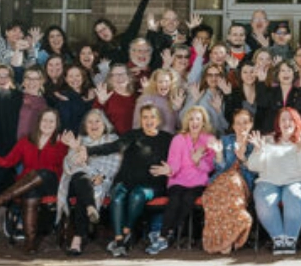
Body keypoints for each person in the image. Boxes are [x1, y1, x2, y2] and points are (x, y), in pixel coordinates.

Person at [0, 108, 67, 253]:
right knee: (31, 195)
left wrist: (67, 146)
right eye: (45, 120)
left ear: (57, 124)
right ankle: (30, 243)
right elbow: (8, 162)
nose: (48, 124)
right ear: (39, 122)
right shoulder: (26, 141)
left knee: (43, 172)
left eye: (52, 121)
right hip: (27, 185)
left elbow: (66, 166)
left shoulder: (61, 142)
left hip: (51, 184)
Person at [246, 108, 301, 255]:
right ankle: (279, 239)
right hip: (269, 181)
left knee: (292, 193)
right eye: (283, 120)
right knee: (263, 197)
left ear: (297, 122)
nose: (287, 123)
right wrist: (258, 150)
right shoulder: (267, 140)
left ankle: (290, 239)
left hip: (300, 181)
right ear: (278, 124)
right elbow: (253, 166)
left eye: (290, 119)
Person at [146, 106, 218, 255]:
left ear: (203, 122)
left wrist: (198, 161)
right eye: (191, 119)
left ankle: (167, 233)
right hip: (178, 179)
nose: (194, 122)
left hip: (198, 181)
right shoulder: (178, 139)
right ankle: (164, 237)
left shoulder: (209, 140)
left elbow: (210, 167)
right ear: (187, 121)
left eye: (198, 119)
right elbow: (174, 163)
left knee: (188, 199)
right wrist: (169, 170)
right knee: (175, 199)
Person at [102, 105, 172, 256]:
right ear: (140, 119)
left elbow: (180, 160)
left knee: (137, 195)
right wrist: (88, 150)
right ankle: (120, 241)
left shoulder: (167, 139)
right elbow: (113, 147)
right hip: (127, 181)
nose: (148, 121)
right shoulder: (132, 135)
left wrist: (170, 170)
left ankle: (126, 231)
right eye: (145, 117)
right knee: (118, 196)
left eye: (152, 117)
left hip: (153, 185)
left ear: (158, 120)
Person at [55, 109, 121, 256]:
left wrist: (102, 176)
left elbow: (115, 165)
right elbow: (70, 165)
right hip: (79, 180)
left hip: (102, 182)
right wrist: (75, 148)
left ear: (104, 124)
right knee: (80, 176)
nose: (94, 124)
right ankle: (91, 208)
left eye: (97, 121)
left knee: (82, 196)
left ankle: (77, 240)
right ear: (85, 126)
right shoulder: (80, 140)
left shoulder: (112, 140)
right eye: (90, 122)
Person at [201, 107, 256, 255]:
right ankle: (224, 240)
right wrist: (218, 154)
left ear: (251, 124)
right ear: (233, 126)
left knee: (233, 181)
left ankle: (230, 237)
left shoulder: (255, 143)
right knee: (216, 194)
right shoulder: (226, 141)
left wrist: (243, 158)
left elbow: (255, 171)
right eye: (238, 123)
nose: (242, 126)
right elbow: (220, 167)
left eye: (245, 122)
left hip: (243, 184)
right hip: (222, 181)